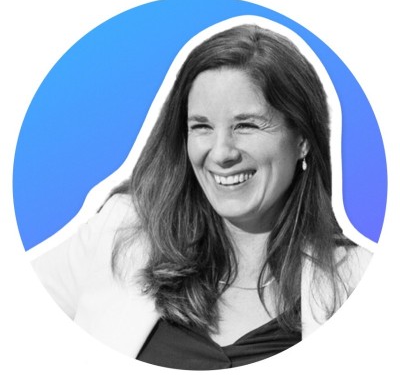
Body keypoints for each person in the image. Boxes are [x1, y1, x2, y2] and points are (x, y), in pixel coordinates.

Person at [32, 23, 372, 370]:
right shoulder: (121, 231)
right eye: (202, 126)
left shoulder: (363, 281)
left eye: (246, 125)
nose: (221, 153)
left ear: (302, 139)